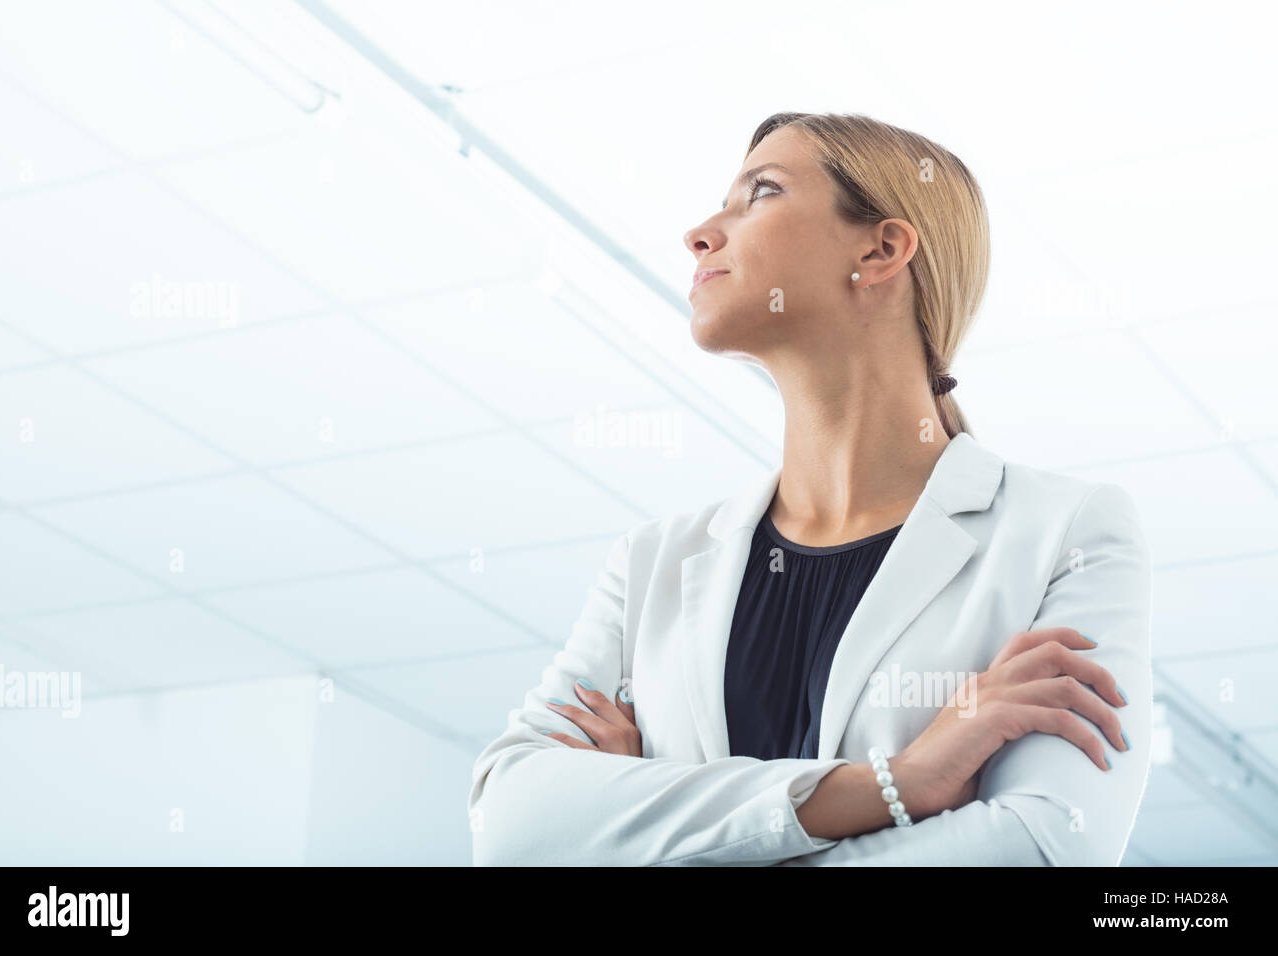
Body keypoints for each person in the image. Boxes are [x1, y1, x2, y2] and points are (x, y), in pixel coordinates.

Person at [467, 112, 1152, 866]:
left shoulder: (1066, 533)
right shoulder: (650, 565)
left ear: (882, 248)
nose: (700, 232)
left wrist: (646, 824)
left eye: (759, 192)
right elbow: (510, 827)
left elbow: (1043, 845)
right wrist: (895, 786)